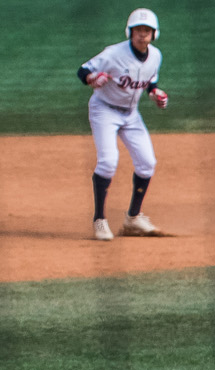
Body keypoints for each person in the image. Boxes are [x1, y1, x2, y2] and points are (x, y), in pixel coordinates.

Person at [80, 8, 168, 241]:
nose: (142, 35)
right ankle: (100, 220)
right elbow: (83, 70)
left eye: (146, 31)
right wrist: (92, 79)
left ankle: (133, 218)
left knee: (147, 163)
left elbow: (151, 82)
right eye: (138, 30)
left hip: (131, 115)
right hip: (104, 111)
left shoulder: (156, 56)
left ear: (153, 34)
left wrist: (156, 94)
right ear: (130, 32)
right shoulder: (113, 54)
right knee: (108, 161)